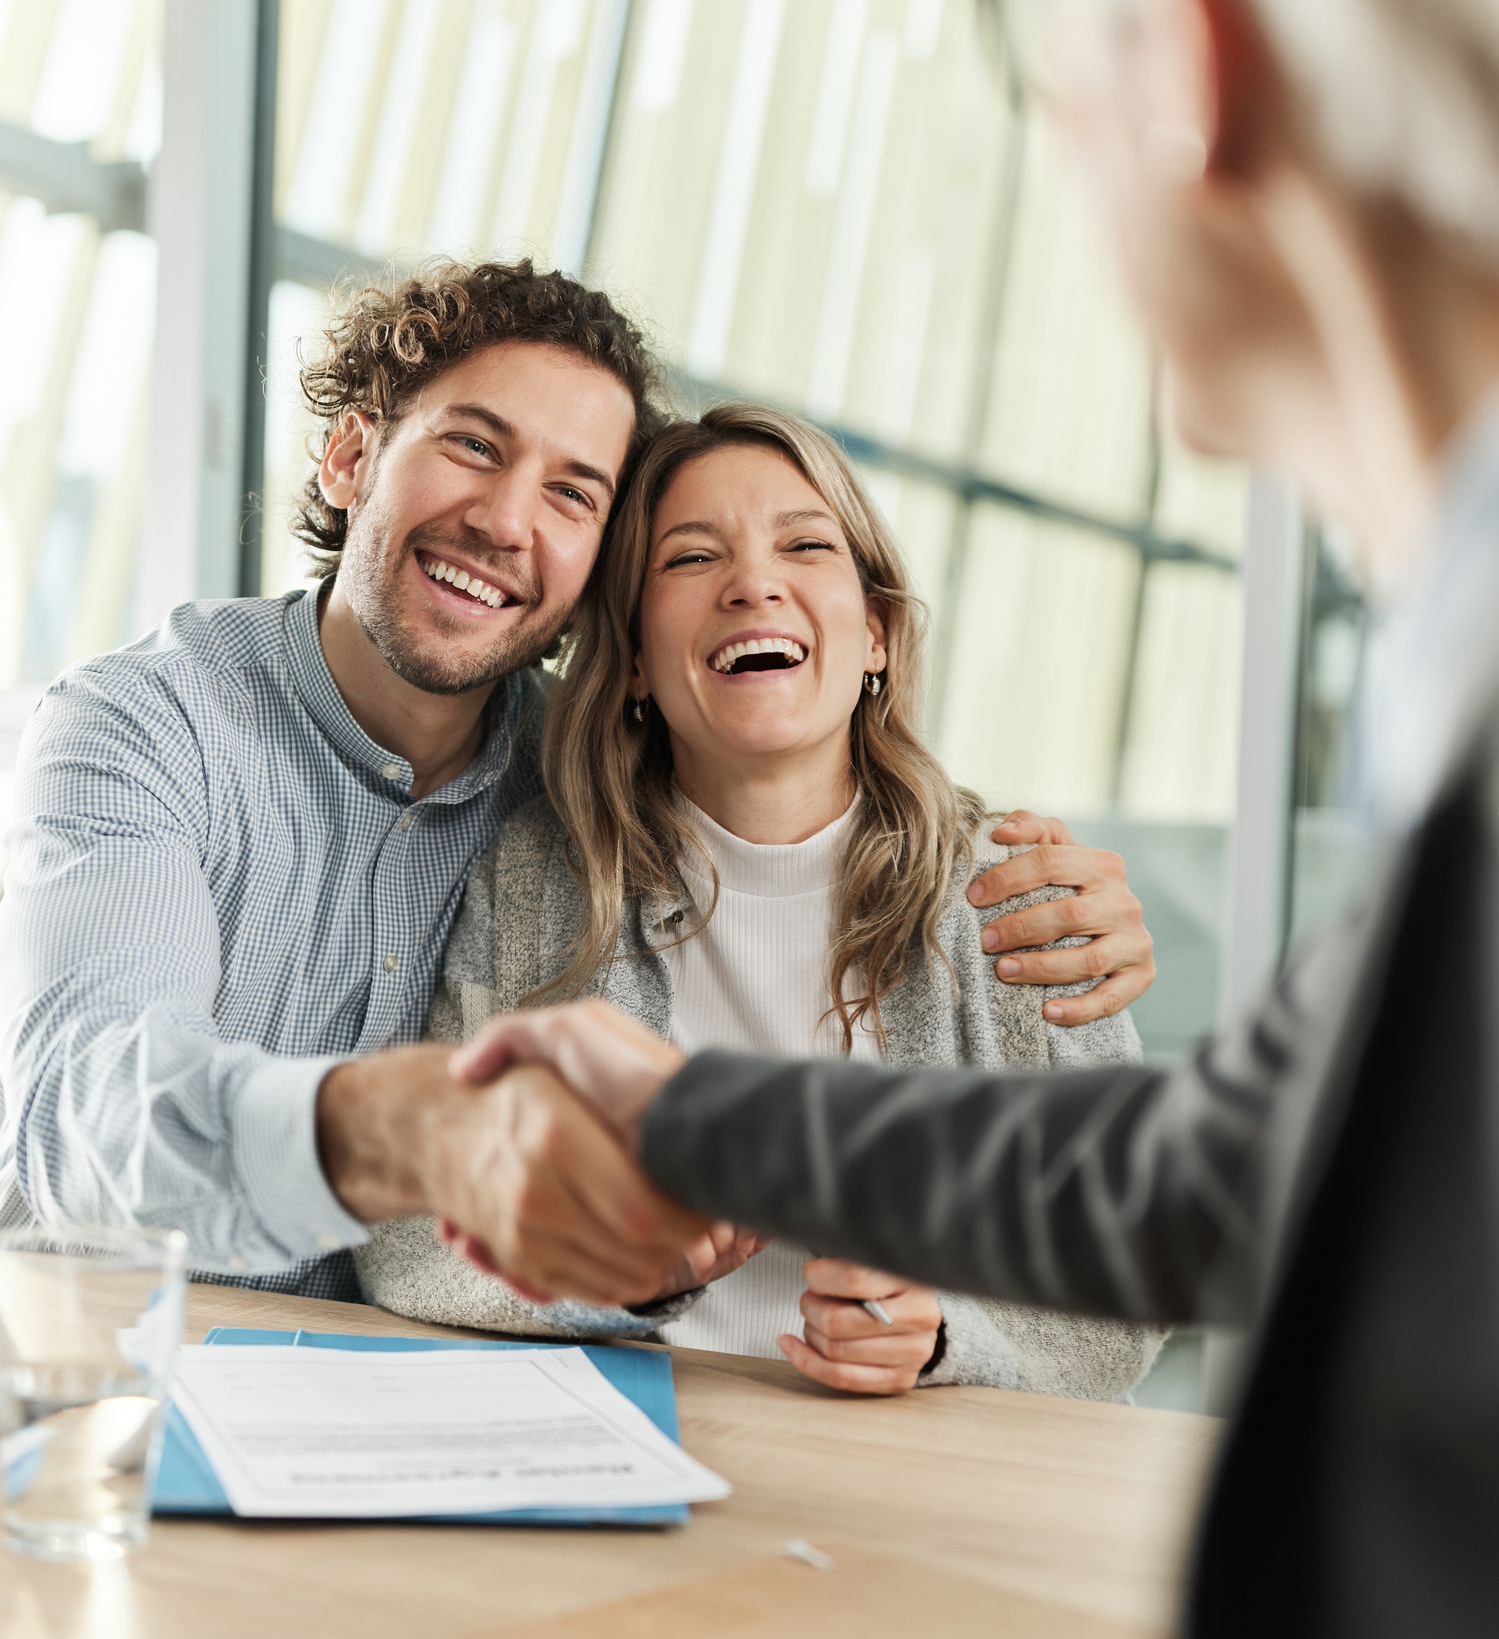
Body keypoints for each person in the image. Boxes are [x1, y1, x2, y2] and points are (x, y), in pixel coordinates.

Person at [426, 0, 1499, 1639]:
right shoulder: (1446, 672)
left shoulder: (1027, 876)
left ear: (1187, 44)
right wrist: (700, 1127)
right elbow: (1204, 1171)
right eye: (686, 560)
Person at [0, 258, 1155, 1302]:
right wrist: (402, 1133)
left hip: (394, 1413)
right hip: (105, 1375)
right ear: (351, 457)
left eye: (572, 493)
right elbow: (85, 1110)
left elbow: (791, 774)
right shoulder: (140, 726)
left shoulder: (590, 780)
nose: (506, 521)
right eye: (473, 445)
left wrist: (1061, 898)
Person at [356, 403, 1162, 1402]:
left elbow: (1125, 1275)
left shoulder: (1016, 894)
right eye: (691, 559)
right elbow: (406, 1240)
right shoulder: (534, 879)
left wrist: (946, 1335)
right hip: (626, 1436)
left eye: (804, 545)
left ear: (873, 631)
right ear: (638, 663)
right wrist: (613, 1277)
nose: (752, 583)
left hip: (922, 1477)